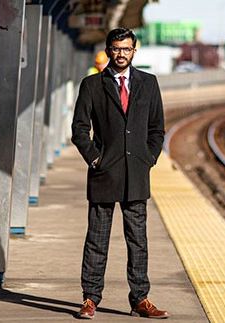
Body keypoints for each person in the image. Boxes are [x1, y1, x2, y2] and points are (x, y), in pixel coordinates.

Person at [71, 28, 169, 319]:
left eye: (126, 49)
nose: (121, 54)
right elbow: (79, 129)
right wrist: (94, 158)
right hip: (104, 172)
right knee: (97, 239)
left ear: (134, 51)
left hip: (137, 174)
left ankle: (140, 299)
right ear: (108, 50)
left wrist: (148, 158)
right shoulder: (92, 85)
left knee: (138, 239)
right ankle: (90, 299)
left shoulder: (148, 84)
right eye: (116, 49)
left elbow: (157, 128)